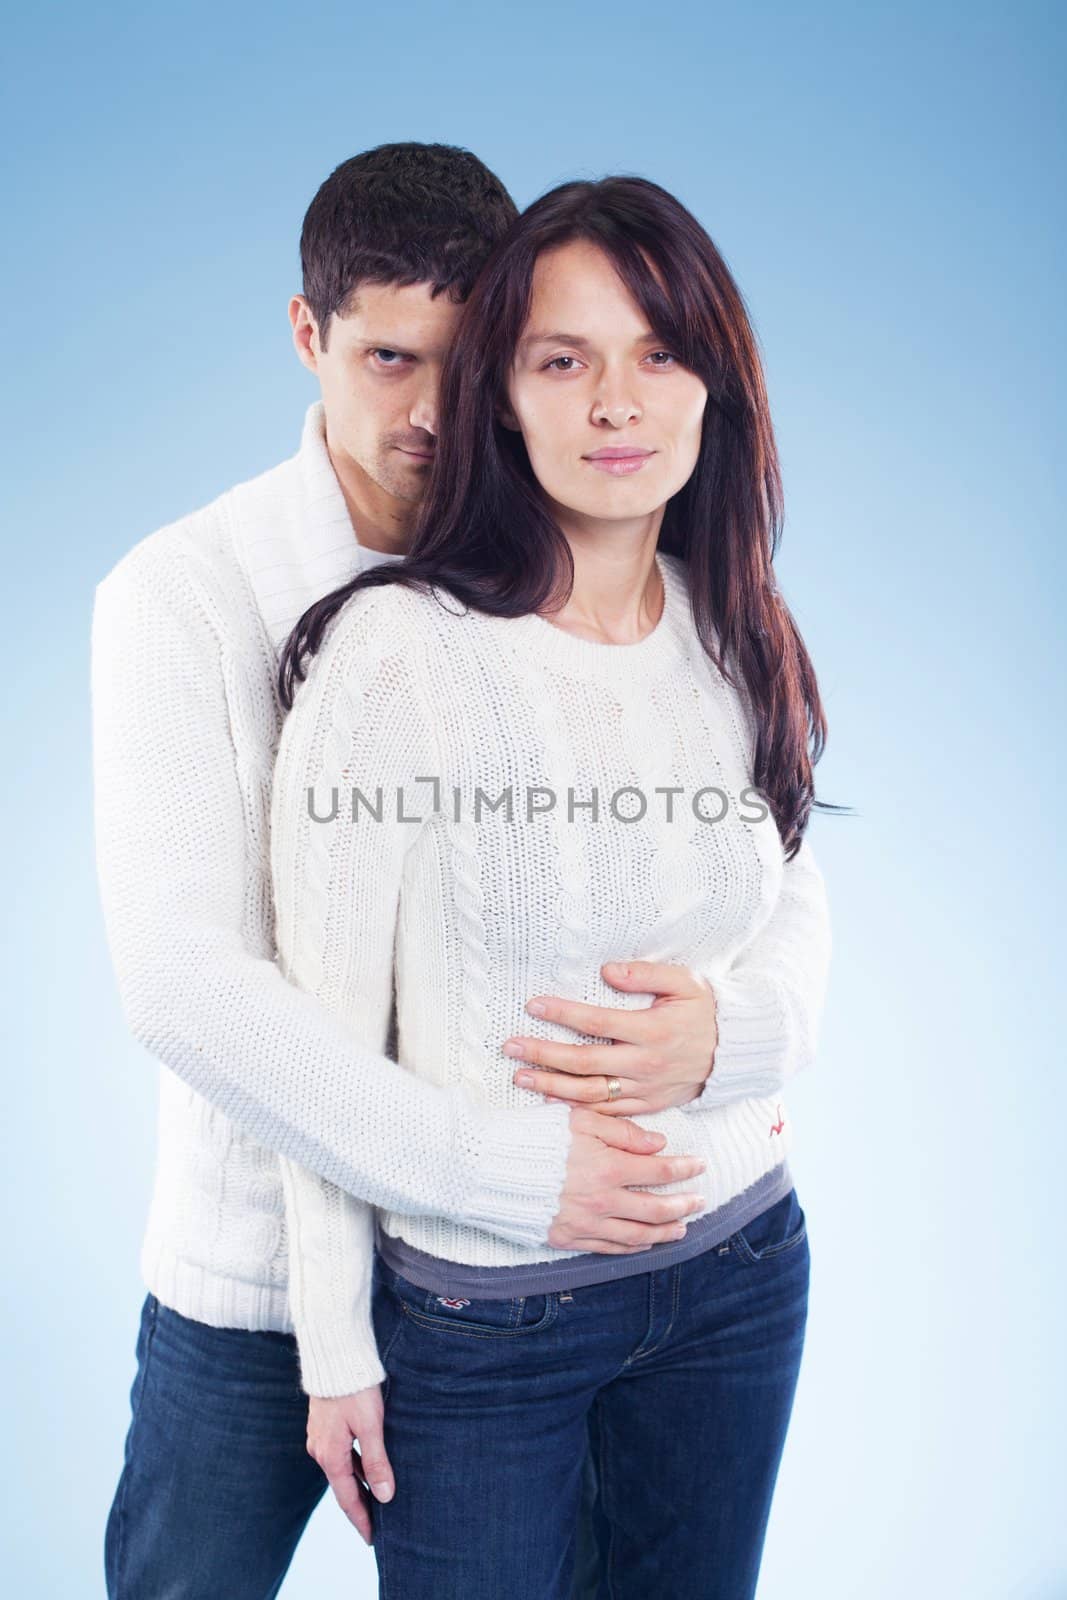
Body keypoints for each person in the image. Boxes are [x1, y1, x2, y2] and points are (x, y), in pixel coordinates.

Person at [92, 145, 722, 1600]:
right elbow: (187, 987)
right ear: (306, 337)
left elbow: (732, 827)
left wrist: (719, 1032)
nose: (432, 410)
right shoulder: (182, 594)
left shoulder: (569, 550)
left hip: (512, 1287)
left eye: (467, 359)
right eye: (386, 358)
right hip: (261, 1282)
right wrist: (504, 1175)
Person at [270, 173, 836, 1600]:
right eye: (563, 360)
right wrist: (335, 1352)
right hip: (484, 1321)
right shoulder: (397, 655)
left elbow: (792, 906)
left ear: (716, 386)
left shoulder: (734, 625)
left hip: (739, 1275)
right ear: (502, 398)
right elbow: (314, 1035)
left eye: (659, 353)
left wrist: (735, 1037)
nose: (617, 404)